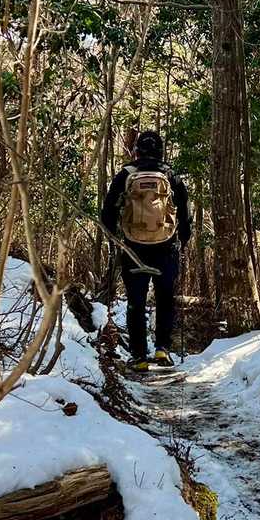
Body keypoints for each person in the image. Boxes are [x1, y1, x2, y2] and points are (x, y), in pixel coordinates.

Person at [101, 129, 192, 371]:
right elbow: (185, 211)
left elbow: (108, 211)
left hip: (133, 248)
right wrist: (183, 239)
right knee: (165, 299)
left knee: (136, 302)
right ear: (161, 151)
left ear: (137, 151)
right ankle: (162, 348)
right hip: (166, 247)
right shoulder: (170, 175)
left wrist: (116, 238)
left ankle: (139, 357)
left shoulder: (126, 175)